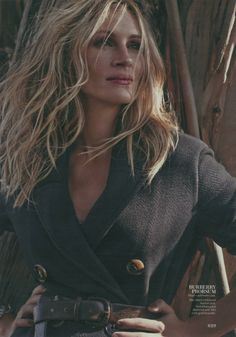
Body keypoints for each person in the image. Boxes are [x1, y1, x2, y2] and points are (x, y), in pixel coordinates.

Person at [0, 0, 236, 336]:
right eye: (104, 41)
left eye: (135, 45)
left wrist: (196, 329)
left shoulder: (181, 162)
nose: (125, 57)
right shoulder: (25, 161)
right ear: (67, 54)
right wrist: (5, 322)